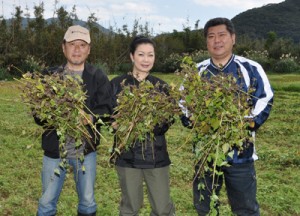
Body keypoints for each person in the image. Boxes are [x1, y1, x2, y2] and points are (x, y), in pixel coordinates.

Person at [180, 17, 274, 215]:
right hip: (205, 152)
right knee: (205, 207)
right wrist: (194, 119)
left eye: (222, 35)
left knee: (245, 207)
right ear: (206, 42)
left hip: (241, 153)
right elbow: (182, 102)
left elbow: (265, 98)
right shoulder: (196, 72)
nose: (217, 40)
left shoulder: (249, 68)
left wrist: (247, 123)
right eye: (211, 36)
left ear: (233, 38)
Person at [35, 25, 113, 216]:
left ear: (89, 49)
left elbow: (107, 109)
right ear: (63, 47)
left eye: (82, 44)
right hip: (55, 152)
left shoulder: (97, 76)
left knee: (87, 203)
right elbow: (37, 113)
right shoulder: (49, 77)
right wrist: (54, 115)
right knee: (46, 203)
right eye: (72, 44)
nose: (77, 49)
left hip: (86, 153)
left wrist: (91, 117)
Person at [110, 35, 176, 216]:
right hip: (127, 155)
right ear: (132, 56)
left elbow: (169, 119)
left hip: (156, 156)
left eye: (150, 55)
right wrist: (115, 123)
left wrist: (149, 124)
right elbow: (106, 115)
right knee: (130, 207)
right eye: (141, 54)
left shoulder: (161, 87)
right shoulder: (117, 85)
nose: (146, 60)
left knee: (163, 209)